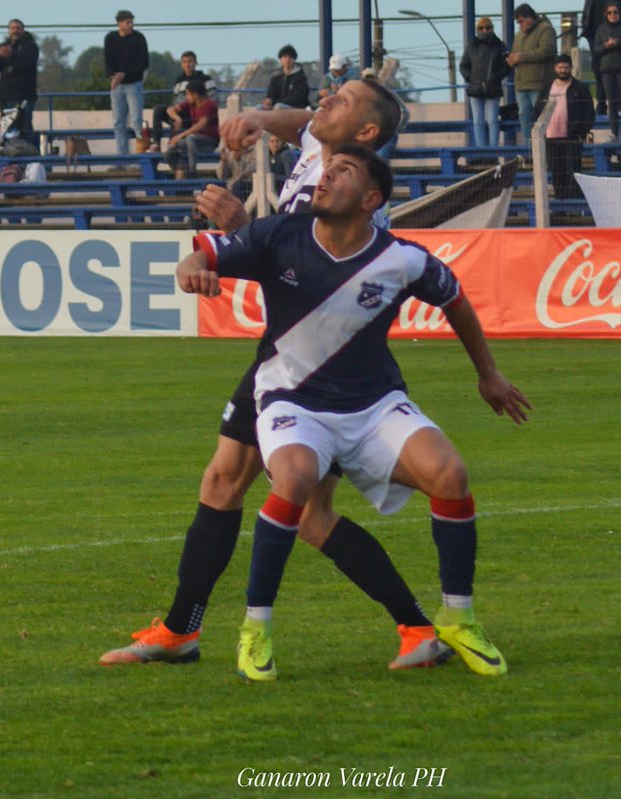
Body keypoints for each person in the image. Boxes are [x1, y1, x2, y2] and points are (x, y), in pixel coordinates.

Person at [98, 80, 450, 674]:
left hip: (326, 373)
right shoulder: (326, 151)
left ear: (366, 135)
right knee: (225, 482)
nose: (326, 104)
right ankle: (181, 629)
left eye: (341, 101)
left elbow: (303, 269)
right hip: (284, 361)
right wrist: (259, 116)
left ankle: (417, 627)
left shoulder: (360, 197)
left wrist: (241, 226)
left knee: (303, 512)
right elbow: (303, 127)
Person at [177, 146, 531, 681]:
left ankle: (458, 619)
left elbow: (455, 298)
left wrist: (489, 373)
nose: (325, 178)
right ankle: (257, 628)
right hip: (291, 400)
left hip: (374, 405)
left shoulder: (401, 258)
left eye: (342, 172)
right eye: (327, 168)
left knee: (451, 475)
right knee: (293, 479)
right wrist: (193, 270)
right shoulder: (278, 234)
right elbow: (202, 254)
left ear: (371, 199)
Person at [542, 53, 594, 198]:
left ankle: (574, 208)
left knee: (573, 173)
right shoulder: (547, 87)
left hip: (571, 137)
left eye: (566, 67)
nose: (563, 70)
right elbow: (538, 109)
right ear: (555, 68)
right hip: (551, 138)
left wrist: (581, 133)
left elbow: (589, 112)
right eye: (560, 67)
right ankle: (560, 205)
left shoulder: (580, 88)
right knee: (557, 173)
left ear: (571, 68)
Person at [149, 51, 217, 153]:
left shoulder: (205, 79)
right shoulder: (179, 80)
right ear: (181, 64)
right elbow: (175, 101)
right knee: (159, 109)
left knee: (178, 130)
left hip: (196, 115)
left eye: (190, 61)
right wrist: (177, 117)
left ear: (195, 63)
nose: (187, 64)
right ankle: (156, 144)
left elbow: (212, 100)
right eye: (184, 62)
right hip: (179, 115)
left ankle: (173, 148)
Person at [507, 3, 557, 141]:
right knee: (524, 116)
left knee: (542, 117)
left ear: (530, 17)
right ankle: (529, 148)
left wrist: (521, 57)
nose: (520, 25)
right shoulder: (518, 36)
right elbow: (514, 53)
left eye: (521, 21)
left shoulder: (546, 29)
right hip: (521, 85)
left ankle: (545, 147)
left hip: (539, 84)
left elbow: (547, 51)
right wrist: (511, 59)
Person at [460, 16, 511, 147]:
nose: (484, 30)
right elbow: (463, 65)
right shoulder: (472, 45)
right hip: (475, 88)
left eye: (487, 27)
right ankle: (482, 150)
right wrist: (471, 77)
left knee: (493, 121)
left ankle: (493, 150)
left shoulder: (499, 45)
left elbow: (507, 66)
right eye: (481, 28)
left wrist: (495, 77)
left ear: (492, 28)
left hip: (493, 88)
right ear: (478, 29)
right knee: (477, 121)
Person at [104, 9, 150, 154]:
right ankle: (122, 157)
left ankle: (140, 156)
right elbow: (107, 60)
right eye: (127, 22)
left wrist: (125, 74)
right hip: (117, 85)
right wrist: (112, 76)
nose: (131, 25)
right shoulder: (110, 38)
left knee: (137, 122)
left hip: (133, 84)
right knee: (118, 123)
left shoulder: (139, 38)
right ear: (119, 23)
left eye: (131, 22)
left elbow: (143, 63)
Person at [581, 0, 621, 116]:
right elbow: (588, 11)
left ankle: (619, 107)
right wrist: (585, 27)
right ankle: (601, 104)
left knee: (619, 76)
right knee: (599, 72)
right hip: (595, 36)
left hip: (618, 36)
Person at [594, 2, 621, 142]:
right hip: (607, 70)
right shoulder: (601, 29)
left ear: (620, 13)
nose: (613, 15)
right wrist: (606, 46)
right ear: (605, 15)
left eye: (615, 12)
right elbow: (596, 50)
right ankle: (614, 133)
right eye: (610, 13)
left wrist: (618, 44)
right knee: (611, 102)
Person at [0, 18, 39, 135]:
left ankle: (28, 151)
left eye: (18, 28)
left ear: (23, 30)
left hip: (25, 96)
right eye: (12, 28)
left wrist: (10, 55)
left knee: (25, 128)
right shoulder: (4, 46)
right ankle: (8, 151)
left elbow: (26, 64)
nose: (15, 31)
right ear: (8, 30)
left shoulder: (30, 46)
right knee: (7, 130)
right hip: (6, 97)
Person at [164, 80, 218, 180]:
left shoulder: (210, 105)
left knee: (190, 139)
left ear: (196, 94)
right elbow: (170, 109)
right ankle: (181, 168)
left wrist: (181, 135)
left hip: (209, 141)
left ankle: (192, 171)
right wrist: (177, 118)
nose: (186, 97)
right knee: (170, 150)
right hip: (193, 141)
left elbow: (201, 124)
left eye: (188, 94)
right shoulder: (190, 104)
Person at [262, 45, 310, 110]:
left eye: (290, 57)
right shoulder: (275, 78)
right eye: (285, 57)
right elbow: (270, 95)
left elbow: (297, 99)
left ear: (294, 59)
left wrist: (274, 102)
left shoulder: (301, 78)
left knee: (278, 107)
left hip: (297, 108)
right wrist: (268, 101)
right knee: (259, 108)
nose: (287, 59)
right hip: (276, 105)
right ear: (280, 60)